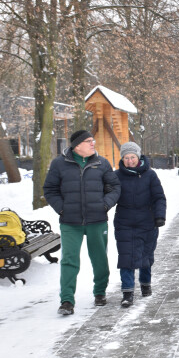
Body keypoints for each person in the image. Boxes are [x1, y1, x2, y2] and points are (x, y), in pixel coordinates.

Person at [43, 130, 121, 315]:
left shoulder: (102, 163)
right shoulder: (59, 164)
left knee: (99, 258)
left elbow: (115, 187)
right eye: (89, 141)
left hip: (97, 220)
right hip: (70, 222)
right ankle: (67, 301)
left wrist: (105, 205)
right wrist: (62, 208)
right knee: (69, 260)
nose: (93, 143)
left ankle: (100, 292)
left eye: (93, 140)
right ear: (77, 145)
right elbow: (50, 189)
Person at [114, 142, 167, 308]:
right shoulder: (116, 176)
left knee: (145, 255)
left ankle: (146, 284)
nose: (130, 160)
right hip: (125, 221)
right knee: (126, 257)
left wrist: (159, 216)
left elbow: (159, 197)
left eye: (132, 157)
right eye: (126, 157)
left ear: (138, 157)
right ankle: (127, 293)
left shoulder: (150, 175)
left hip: (147, 221)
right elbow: (108, 195)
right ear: (122, 159)